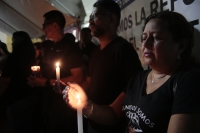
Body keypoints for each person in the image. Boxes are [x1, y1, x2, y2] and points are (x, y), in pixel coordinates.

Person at [62, 11, 200, 133]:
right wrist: (85, 105)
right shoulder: (139, 78)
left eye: (156, 37)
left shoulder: (188, 81)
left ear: (181, 45)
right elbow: (113, 114)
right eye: (145, 37)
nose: (145, 44)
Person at [69, 1, 143, 133]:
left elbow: (135, 87)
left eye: (95, 16)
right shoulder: (95, 52)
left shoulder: (123, 49)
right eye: (90, 17)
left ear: (111, 19)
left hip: (114, 127)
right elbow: (89, 81)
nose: (90, 21)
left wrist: (112, 114)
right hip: (93, 121)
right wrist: (71, 88)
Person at [28, 10, 85, 133]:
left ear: (55, 25)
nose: (43, 29)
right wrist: (37, 77)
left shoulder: (70, 48)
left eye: (45, 25)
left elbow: (78, 77)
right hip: (48, 102)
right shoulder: (48, 47)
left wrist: (47, 82)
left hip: (63, 105)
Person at [0, 31, 42, 133]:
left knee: (19, 127)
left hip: (16, 98)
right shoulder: (31, 58)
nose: (12, 42)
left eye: (13, 40)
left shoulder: (13, 58)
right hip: (32, 95)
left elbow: (6, 80)